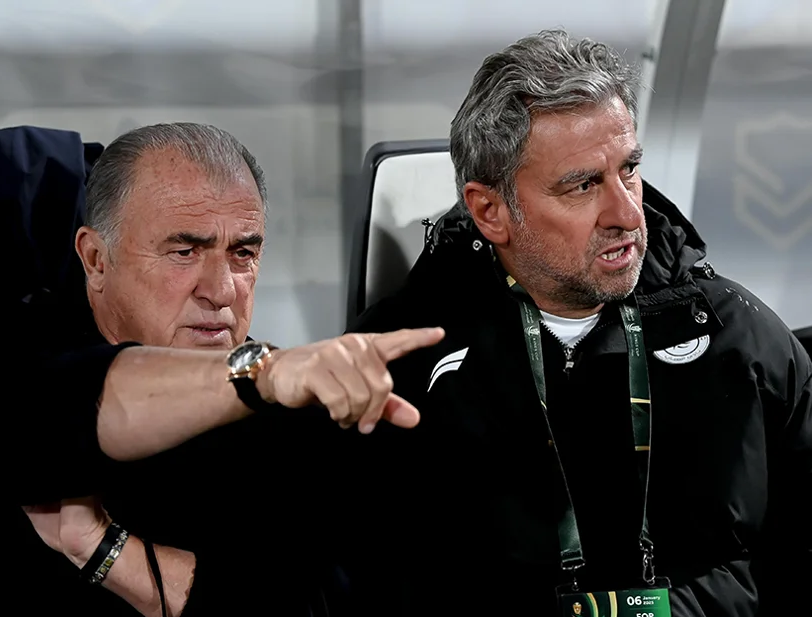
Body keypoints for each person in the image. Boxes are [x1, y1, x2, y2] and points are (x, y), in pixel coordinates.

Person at [346, 29, 812, 617]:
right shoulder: (394, 368)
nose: (627, 213)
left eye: (629, 169)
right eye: (584, 185)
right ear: (490, 211)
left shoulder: (738, 337)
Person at [0, 122, 443, 617]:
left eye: (243, 253)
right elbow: (31, 431)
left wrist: (109, 552)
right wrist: (258, 375)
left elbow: (317, 603)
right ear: (96, 259)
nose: (222, 290)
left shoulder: (284, 404)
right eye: (185, 251)